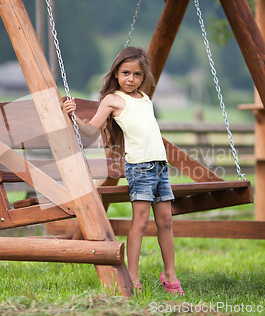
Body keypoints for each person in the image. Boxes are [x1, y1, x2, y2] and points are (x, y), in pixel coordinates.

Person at [63, 47, 184, 295]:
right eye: (126, 73)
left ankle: (170, 275)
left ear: (144, 77)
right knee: (140, 221)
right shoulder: (113, 99)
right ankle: (133, 277)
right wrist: (73, 118)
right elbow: (91, 130)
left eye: (137, 74)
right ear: (116, 74)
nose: (131, 79)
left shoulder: (146, 98)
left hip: (160, 166)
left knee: (166, 220)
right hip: (140, 167)